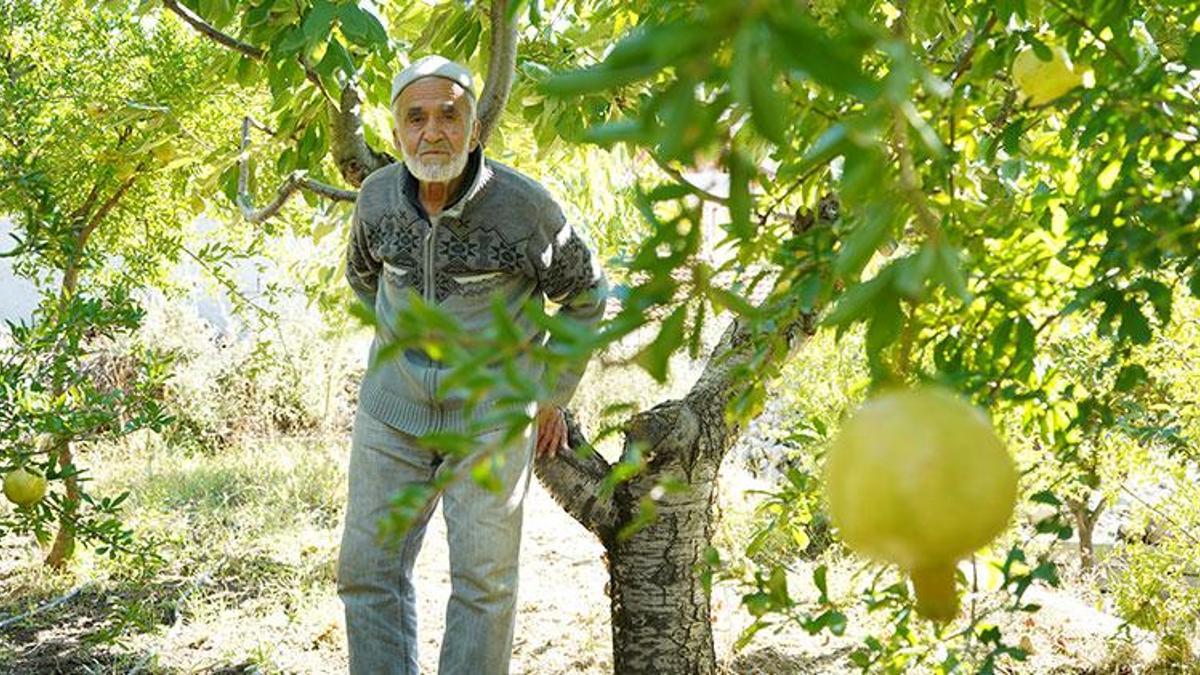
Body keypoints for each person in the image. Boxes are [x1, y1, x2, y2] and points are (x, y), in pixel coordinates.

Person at [337, 55, 608, 675]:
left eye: (449, 116)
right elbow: (362, 278)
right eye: (416, 118)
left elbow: (587, 293)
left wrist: (552, 392)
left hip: (491, 420)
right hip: (390, 415)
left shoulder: (524, 207)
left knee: (484, 586)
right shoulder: (375, 198)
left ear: (475, 128)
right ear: (396, 131)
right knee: (366, 572)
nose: (433, 132)